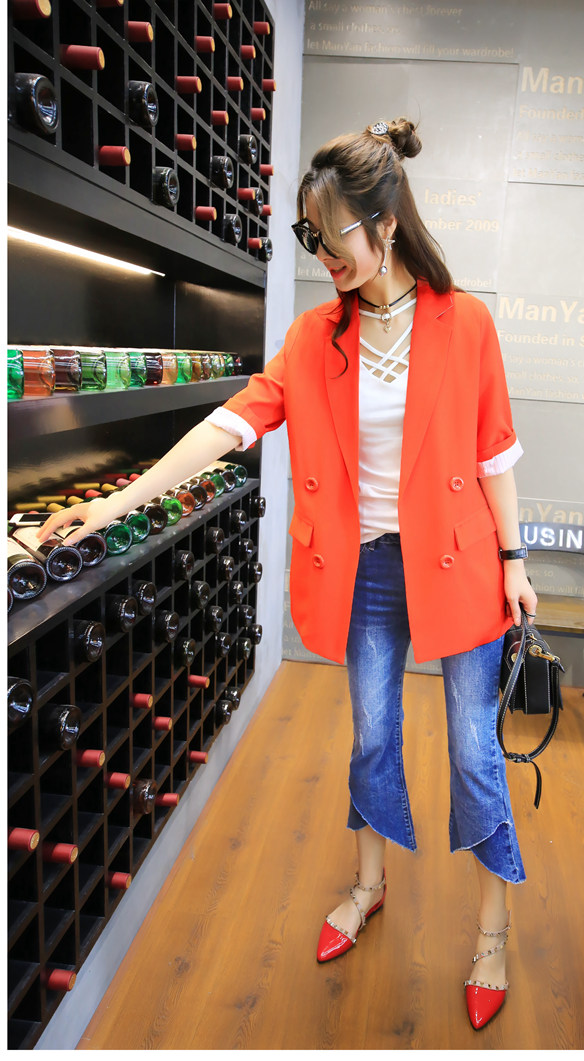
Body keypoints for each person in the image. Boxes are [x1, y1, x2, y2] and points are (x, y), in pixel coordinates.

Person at [38, 117, 537, 1032]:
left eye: (333, 233)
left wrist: (514, 560)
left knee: (474, 751)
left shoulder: (464, 322)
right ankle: (368, 883)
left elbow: (494, 455)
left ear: (386, 223)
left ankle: (493, 930)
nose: (322, 254)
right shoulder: (316, 337)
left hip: (462, 566)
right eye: (311, 236)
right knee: (373, 737)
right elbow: (230, 424)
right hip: (368, 573)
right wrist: (114, 504)